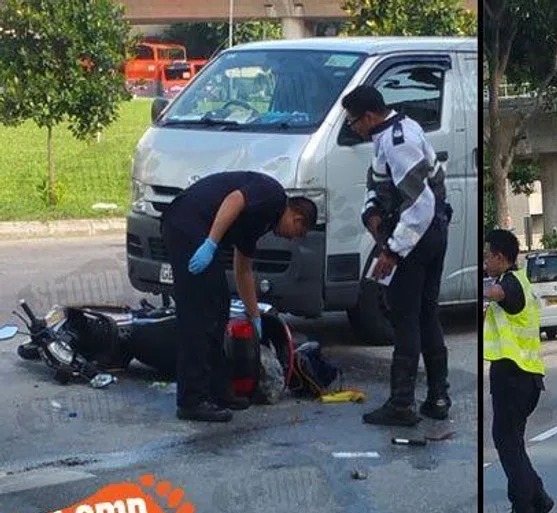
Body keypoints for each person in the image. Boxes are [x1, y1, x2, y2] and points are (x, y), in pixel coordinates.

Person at [161, 171, 316, 423]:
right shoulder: (273, 196)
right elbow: (234, 199)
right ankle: (192, 400)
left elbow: (243, 269)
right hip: (187, 224)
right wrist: (211, 243)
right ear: (297, 217)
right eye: (297, 232)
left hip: (197, 228)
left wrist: (255, 318)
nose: (290, 237)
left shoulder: (260, 222)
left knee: (219, 306)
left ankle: (219, 390)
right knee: (199, 314)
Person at [340, 85, 454, 427]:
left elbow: (420, 204)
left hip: (417, 238)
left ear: (370, 116)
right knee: (425, 315)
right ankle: (437, 396)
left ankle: (402, 402)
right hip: (431, 234)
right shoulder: (397, 131)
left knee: (405, 317)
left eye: (354, 121)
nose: (353, 128)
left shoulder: (398, 141)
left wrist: (392, 250)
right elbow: (377, 184)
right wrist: (371, 212)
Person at [483, 229, 554, 513]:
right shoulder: (518, 280)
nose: (484, 262)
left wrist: (482, 285)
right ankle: (537, 499)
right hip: (525, 378)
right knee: (512, 444)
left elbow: (499, 295)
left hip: (514, 378)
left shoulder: (511, 283)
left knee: (507, 443)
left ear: (500, 257)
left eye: (486, 257)